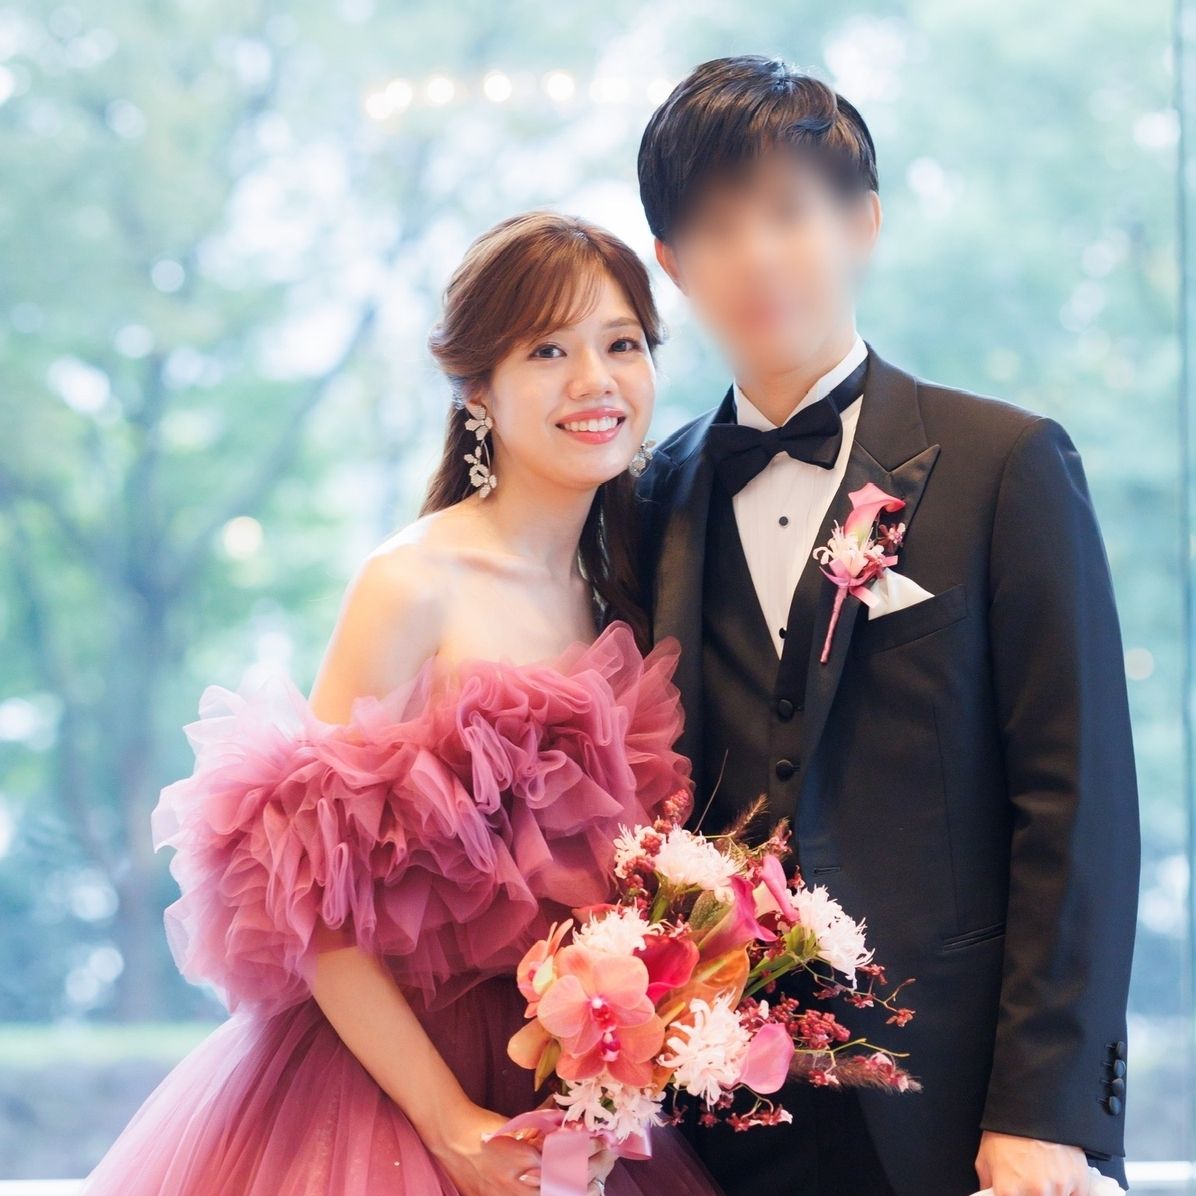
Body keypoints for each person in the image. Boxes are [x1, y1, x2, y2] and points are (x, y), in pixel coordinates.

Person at [79, 210, 726, 1196]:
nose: (595, 381)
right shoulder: (412, 581)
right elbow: (300, 898)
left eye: (622, 344)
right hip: (384, 1098)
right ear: (476, 389)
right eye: (548, 350)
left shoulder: (621, 588)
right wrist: (447, 1122)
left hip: (552, 1092)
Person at [631, 55, 1141, 1196]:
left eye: (786, 212)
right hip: (713, 1118)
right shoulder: (648, 498)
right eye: (715, 227)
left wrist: (1043, 1111)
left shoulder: (1004, 464)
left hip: (955, 1111)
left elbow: (1078, 807)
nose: (756, 255)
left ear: (861, 223)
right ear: (672, 264)